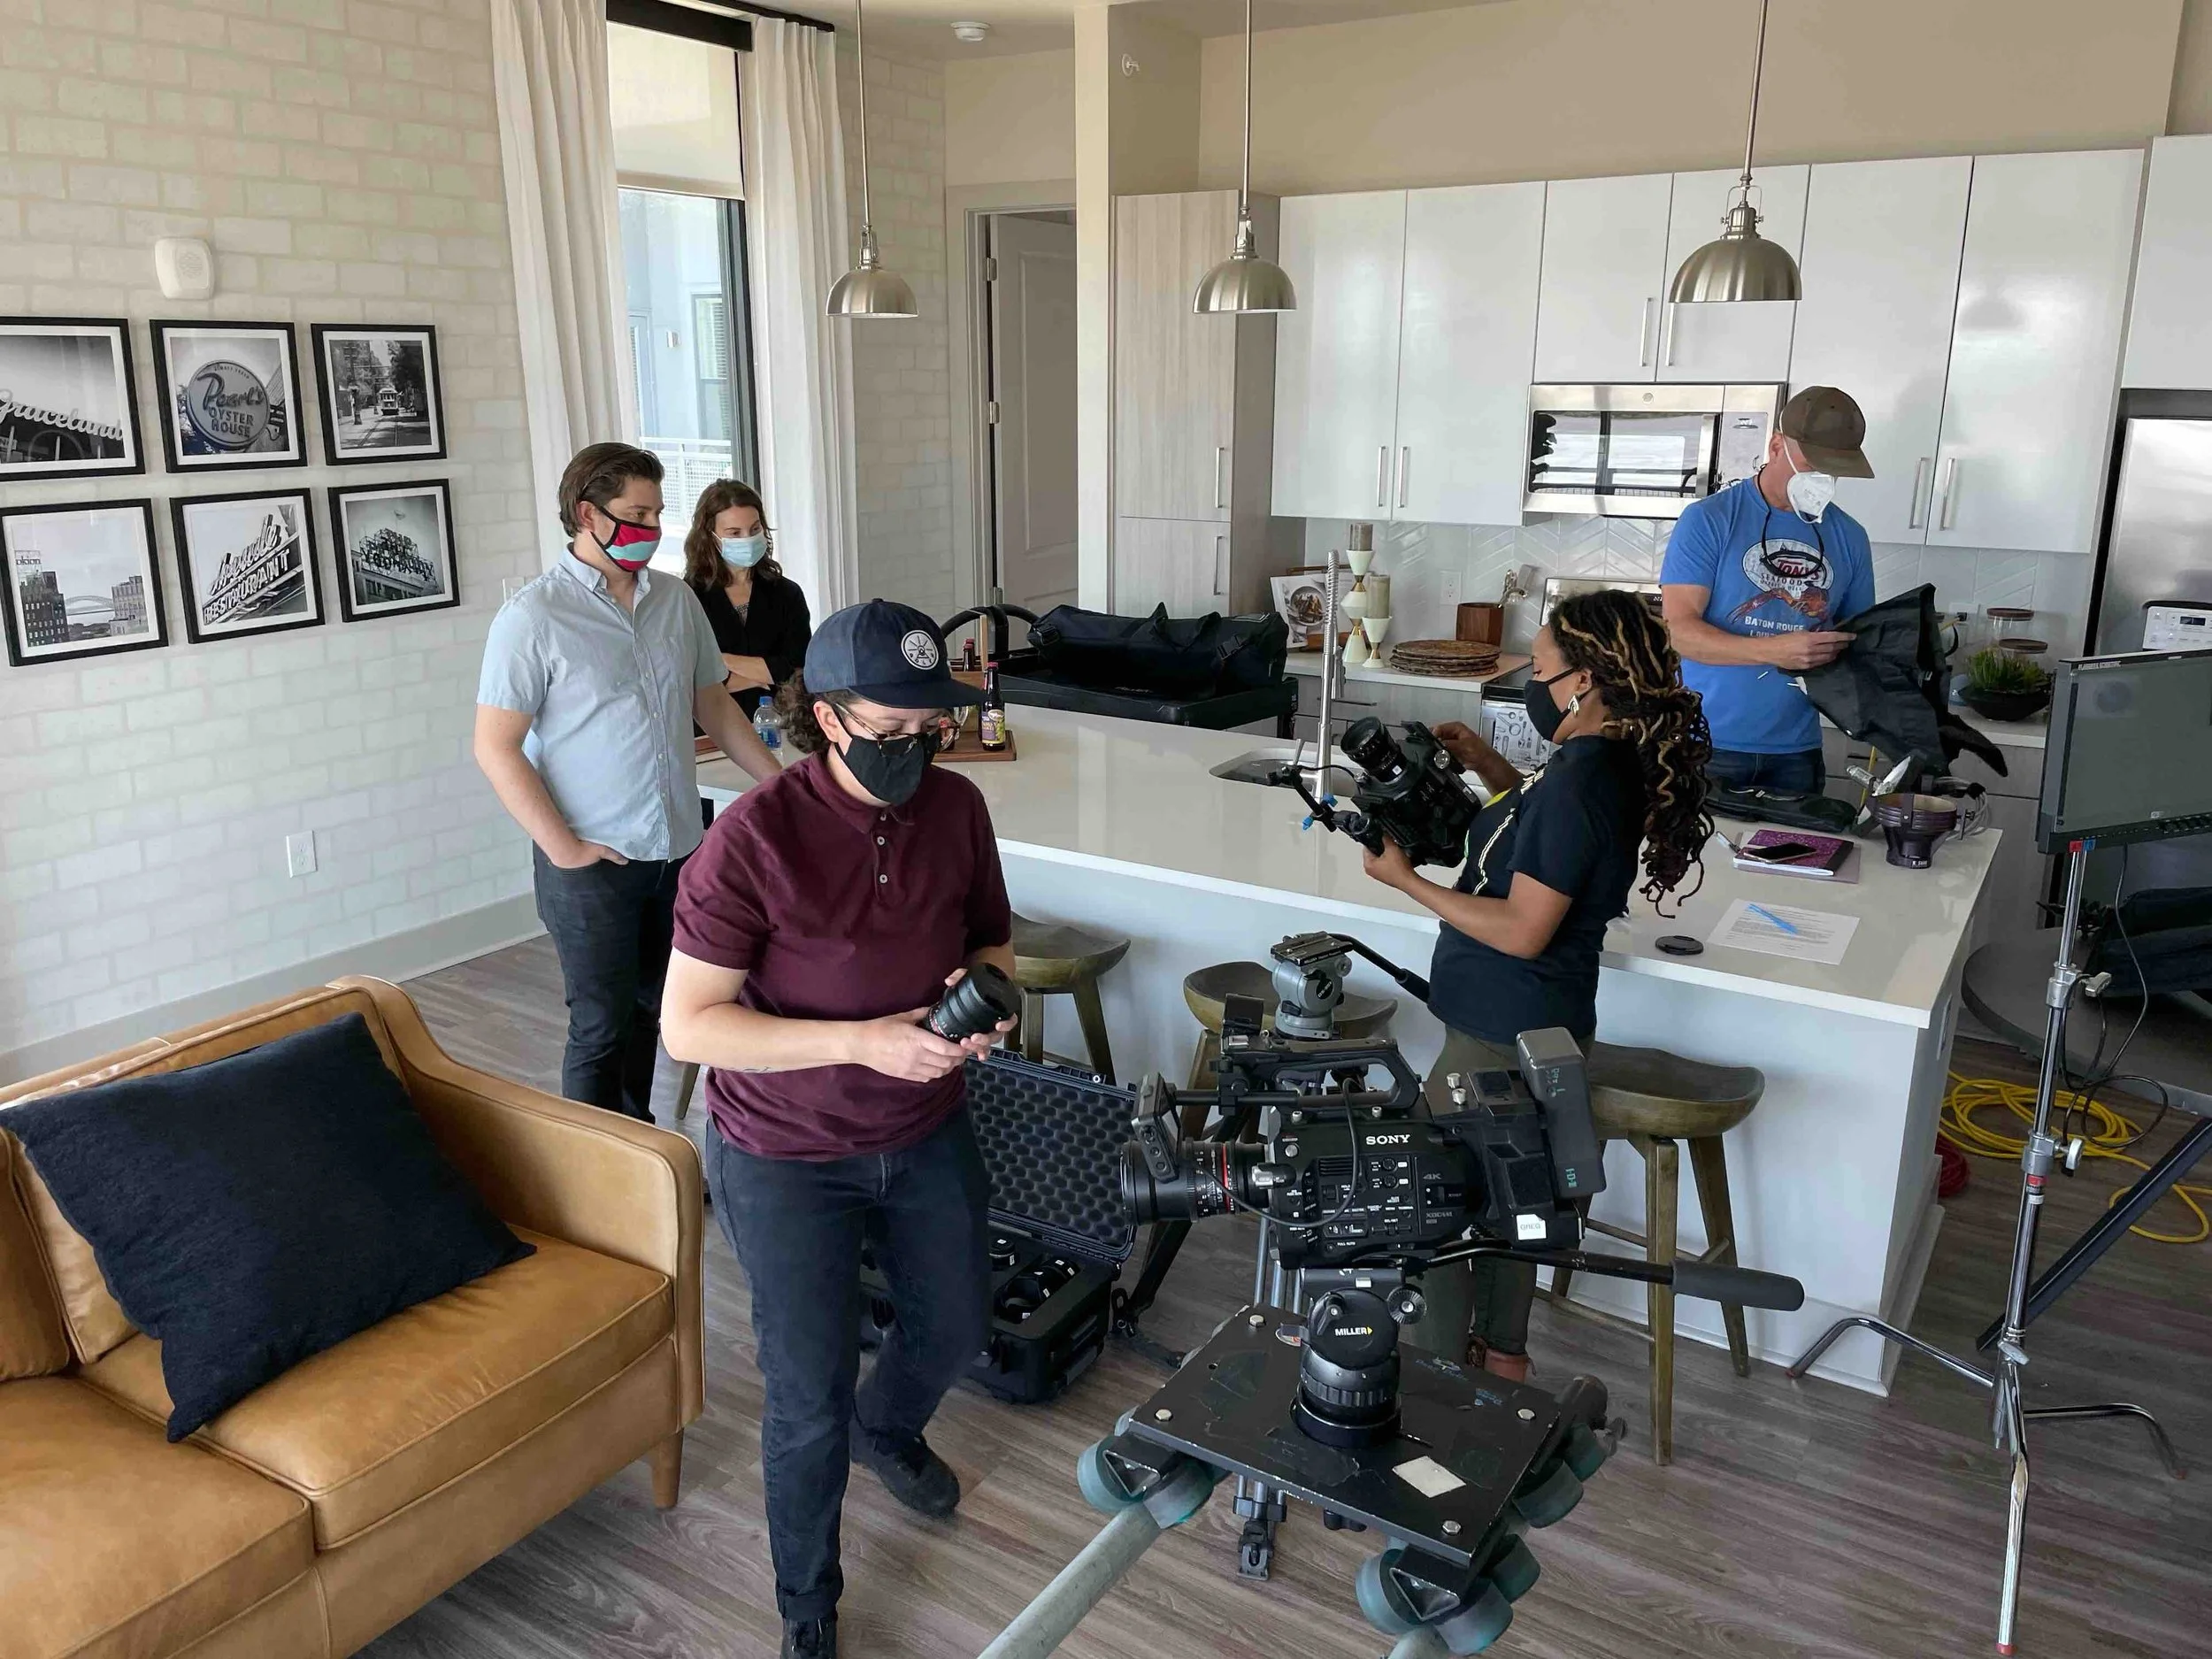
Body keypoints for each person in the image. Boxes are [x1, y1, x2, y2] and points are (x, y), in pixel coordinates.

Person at [660, 600, 1015, 1659]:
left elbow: (993, 944)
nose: (915, 747)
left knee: (953, 1326)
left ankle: (889, 1426)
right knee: (804, 1395)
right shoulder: (752, 841)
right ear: (824, 716)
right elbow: (688, 1028)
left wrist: (989, 1012)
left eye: (930, 728)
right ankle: (806, 1604)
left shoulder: (956, 811)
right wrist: (862, 1043)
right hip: (785, 1154)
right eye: (891, 728)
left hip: (924, 1121)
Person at [1361, 590, 1714, 1382]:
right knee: (1508, 1201)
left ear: (1585, 679)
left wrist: (1405, 881)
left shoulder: (1584, 778)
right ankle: (1503, 1365)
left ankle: (1440, 1382)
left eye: (1542, 666)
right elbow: (1552, 838)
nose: (1530, 677)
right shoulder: (1600, 760)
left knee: (1438, 1212)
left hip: (1499, 1032)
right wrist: (1491, 769)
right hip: (1532, 1025)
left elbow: (1525, 928)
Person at [474, 442, 780, 1122]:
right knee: (601, 1028)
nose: (651, 527)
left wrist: (783, 787)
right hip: (591, 863)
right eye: (636, 513)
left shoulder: (674, 600)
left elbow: (715, 706)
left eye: (657, 512)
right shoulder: (533, 617)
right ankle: (594, 1192)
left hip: (677, 852)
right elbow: (495, 747)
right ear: (588, 514)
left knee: (655, 1014)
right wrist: (565, 850)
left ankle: (639, 1159)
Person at [1660, 385, 1877, 795]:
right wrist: (1773, 650)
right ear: (1777, 446)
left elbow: (1859, 639)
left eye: (1833, 470)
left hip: (1797, 751)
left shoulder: (1850, 536)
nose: (1821, 480)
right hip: (1703, 744)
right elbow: (1677, 633)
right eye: (1813, 465)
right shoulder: (1710, 520)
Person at [684, 479, 812, 721]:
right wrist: (764, 675)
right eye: (734, 533)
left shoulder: (787, 593)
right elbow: (687, 677)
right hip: (710, 729)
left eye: (754, 530)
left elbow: (797, 669)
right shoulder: (687, 595)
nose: (747, 538)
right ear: (710, 537)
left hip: (781, 725)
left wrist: (719, 660)